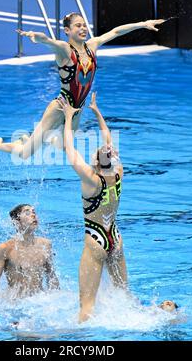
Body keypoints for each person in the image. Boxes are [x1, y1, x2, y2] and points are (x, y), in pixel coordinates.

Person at [0, 13, 165, 158]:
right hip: (61, 106)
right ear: (67, 30)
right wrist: (39, 38)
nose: (83, 28)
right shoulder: (65, 50)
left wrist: (142, 23)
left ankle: (33, 139)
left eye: (84, 25)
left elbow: (116, 32)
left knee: (64, 147)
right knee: (25, 155)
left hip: (76, 109)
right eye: (78, 26)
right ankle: (0, 146)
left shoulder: (92, 46)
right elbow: (50, 41)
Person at [59, 91, 127, 322]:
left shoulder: (91, 179)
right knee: (123, 298)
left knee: (86, 307)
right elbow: (108, 141)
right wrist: (97, 112)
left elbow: (69, 149)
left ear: (95, 162)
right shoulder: (118, 173)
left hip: (96, 240)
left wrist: (68, 116)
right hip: (115, 238)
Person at [0, 204, 59, 306]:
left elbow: (51, 277)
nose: (33, 215)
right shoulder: (5, 249)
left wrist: (56, 301)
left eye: (34, 212)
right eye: (27, 213)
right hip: (16, 304)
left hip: (40, 302)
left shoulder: (46, 244)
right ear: (16, 222)